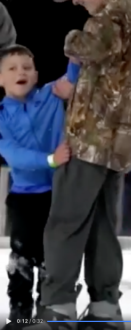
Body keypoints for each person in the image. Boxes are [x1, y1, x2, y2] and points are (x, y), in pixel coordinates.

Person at [39, 0, 131, 327]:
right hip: (120, 139)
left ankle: (57, 305)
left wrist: (72, 41)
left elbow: (91, 46)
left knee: (65, 221)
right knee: (103, 224)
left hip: (89, 137)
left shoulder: (108, 16)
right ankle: (105, 305)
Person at [0, 46, 77, 329]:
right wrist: (50, 160)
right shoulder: (0, 116)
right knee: (21, 256)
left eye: (27, 67)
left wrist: (76, 55)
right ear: (0, 79)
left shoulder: (50, 95)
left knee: (52, 258)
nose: (21, 71)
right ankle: (19, 314)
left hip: (58, 194)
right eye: (12, 68)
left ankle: (49, 311)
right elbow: (12, 153)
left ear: (36, 75)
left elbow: (74, 76)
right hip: (23, 198)